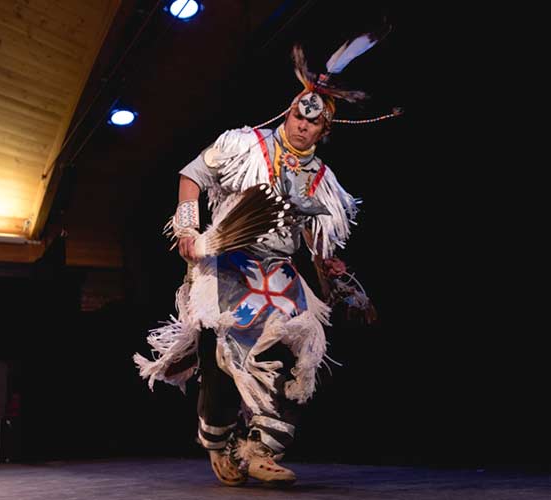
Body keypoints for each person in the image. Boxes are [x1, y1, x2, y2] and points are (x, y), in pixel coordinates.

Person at [134, 34, 395, 486]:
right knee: (221, 357)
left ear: (324, 130)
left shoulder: (324, 181)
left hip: (277, 272)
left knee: (303, 354)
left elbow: (319, 244)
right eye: (297, 115)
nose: (301, 127)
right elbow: (191, 175)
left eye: (312, 124)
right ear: (289, 111)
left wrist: (336, 276)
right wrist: (188, 228)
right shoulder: (244, 144)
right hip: (226, 262)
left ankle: (259, 449)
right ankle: (217, 441)